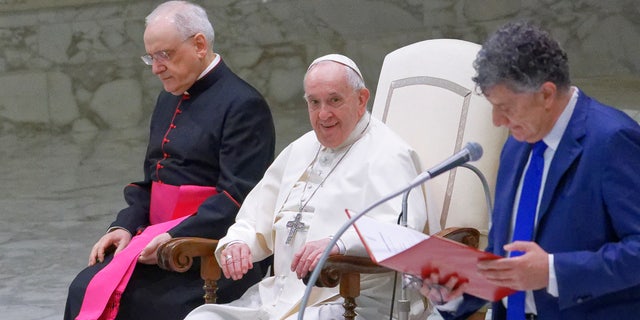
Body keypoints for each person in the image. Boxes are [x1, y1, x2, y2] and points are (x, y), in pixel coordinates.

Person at [64, 1, 276, 319]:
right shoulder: (168, 97)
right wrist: (124, 225)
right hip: (157, 239)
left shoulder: (243, 104)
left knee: (147, 304)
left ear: (199, 45)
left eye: (165, 54)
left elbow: (238, 198)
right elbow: (152, 181)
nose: (155, 67)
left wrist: (173, 238)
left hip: (208, 250)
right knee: (84, 285)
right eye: (151, 56)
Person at [421, 21, 640, 319]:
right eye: (492, 107)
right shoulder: (516, 145)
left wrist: (553, 272)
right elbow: (505, 257)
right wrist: (454, 292)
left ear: (546, 94)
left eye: (506, 107)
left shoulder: (612, 140)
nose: (497, 120)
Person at [184, 54, 429, 320]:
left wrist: (340, 243)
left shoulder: (389, 153)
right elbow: (256, 217)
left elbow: (403, 232)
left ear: (361, 99)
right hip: (280, 295)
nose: (324, 115)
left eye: (335, 100)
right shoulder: (300, 149)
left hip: (351, 298)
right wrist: (239, 242)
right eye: (314, 102)